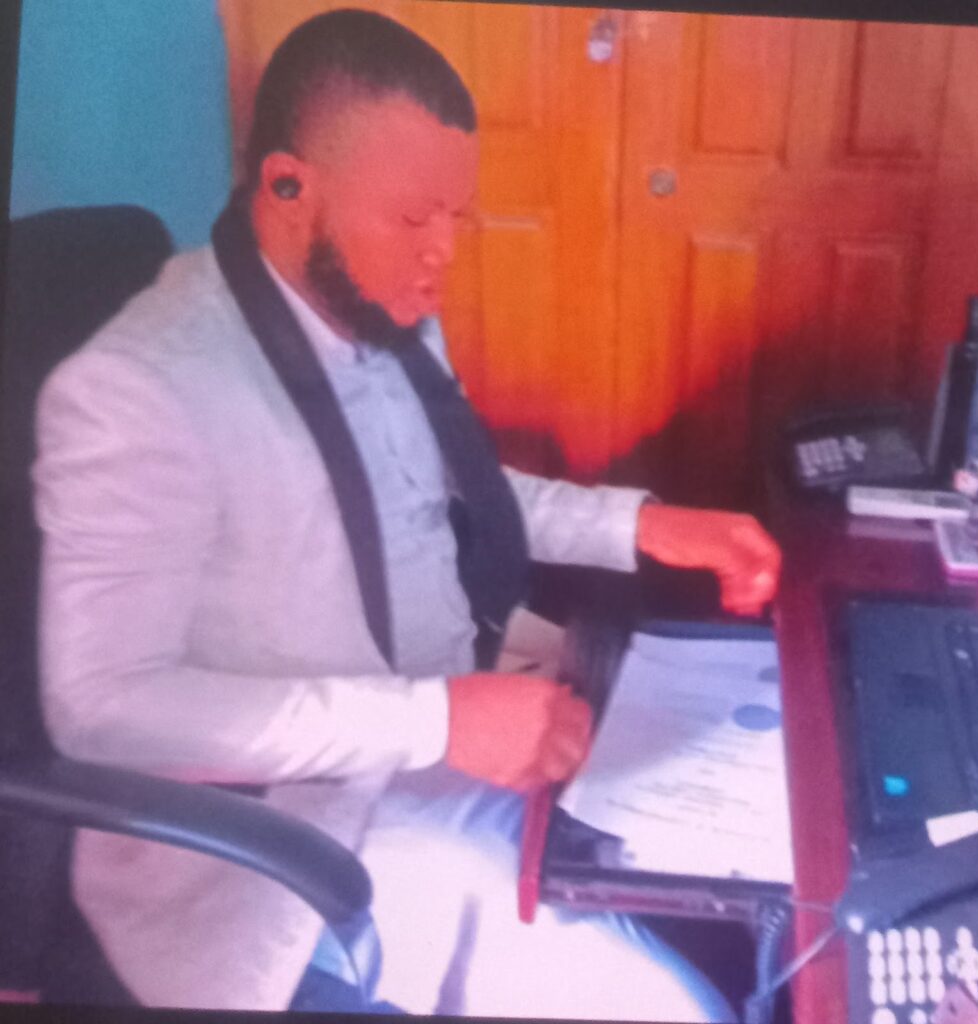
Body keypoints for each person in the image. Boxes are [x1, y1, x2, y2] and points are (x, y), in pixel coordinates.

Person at [31, 9, 780, 1021]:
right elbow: (105, 712)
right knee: (683, 1005)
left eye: (455, 218)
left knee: (763, 865)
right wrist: (434, 719)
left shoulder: (372, 306)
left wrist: (638, 525)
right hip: (284, 837)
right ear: (288, 186)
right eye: (411, 218)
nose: (442, 255)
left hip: (452, 713)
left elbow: (451, 491)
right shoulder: (141, 391)